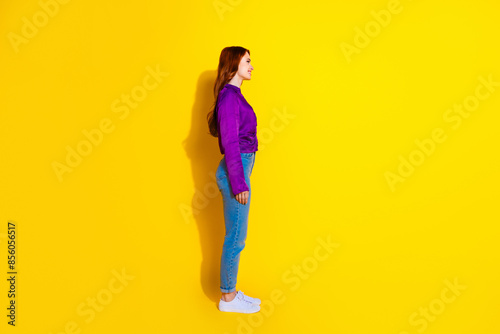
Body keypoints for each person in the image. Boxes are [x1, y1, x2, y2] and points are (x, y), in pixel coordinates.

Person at [207, 46, 261, 313]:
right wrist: (239, 184)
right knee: (236, 237)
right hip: (235, 170)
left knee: (238, 235)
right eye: (248, 61)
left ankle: (232, 292)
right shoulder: (229, 97)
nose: (252, 66)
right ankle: (227, 299)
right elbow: (229, 141)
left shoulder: (234, 95)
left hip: (239, 168)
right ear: (235, 63)